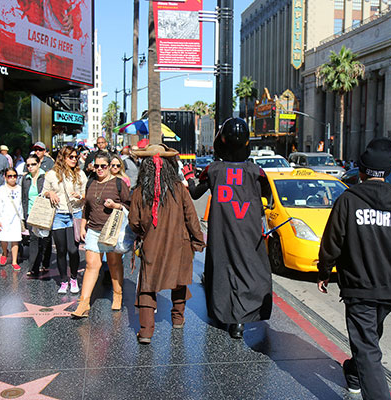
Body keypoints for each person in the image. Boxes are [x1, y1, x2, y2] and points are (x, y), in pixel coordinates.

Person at [317, 138, 391, 398]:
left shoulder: (348, 201)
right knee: (368, 340)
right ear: (388, 173)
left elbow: (332, 242)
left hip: (359, 288)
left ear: (360, 172)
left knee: (368, 348)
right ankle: (352, 371)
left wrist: (324, 272)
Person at [184, 118, 272, 339]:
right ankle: (241, 322)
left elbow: (195, 193)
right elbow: (268, 197)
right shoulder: (256, 171)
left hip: (222, 229)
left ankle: (226, 316)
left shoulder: (213, 170)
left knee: (222, 271)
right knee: (248, 270)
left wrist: (188, 177)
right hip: (248, 230)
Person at [128, 144, 205, 344]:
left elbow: (134, 222)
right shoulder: (179, 188)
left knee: (147, 287)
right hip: (179, 245)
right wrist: (198, 240)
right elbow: (191, 217)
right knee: (178, 281)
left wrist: (143, 233)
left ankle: (146, 332)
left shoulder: (138, 191)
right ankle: (177, 320)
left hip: (151, 245)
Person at [71, 151, 131, 318]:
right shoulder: (90, 183)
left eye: (103, 166)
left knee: (113, 263)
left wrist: (116, 206)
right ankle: (83, 304)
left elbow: (129, 205)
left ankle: (117, 295)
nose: (99, 169)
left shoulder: (119, 183)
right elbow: (87, 207)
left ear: (110, 167)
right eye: (96, 166)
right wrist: (83, 225)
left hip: (112, 231)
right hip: (94, 229)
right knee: (91, 265)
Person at [43, 146, 86, 294]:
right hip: (58, 215)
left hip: (75, 214)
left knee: (73, 250)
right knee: (61, 250)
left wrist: (80, 196)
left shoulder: (80, 174)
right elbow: (43, 192)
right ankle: (63, 280)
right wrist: (50, 193)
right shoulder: (52, 174)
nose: (74, 159)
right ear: (63, 157)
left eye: (76, 157)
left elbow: (86, 193)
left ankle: (73, 278)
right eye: (71, 157)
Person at [21, 154, 50, 277]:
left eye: (33, 164)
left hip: (43, 213)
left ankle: (45, 262)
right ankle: (33, 266)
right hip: (30, 213)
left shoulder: (45, 177)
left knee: (45, 240)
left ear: (38, 164)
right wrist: (24, 216)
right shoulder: (25, 179)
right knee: (33, 239)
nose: (30, 167)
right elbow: (23, 197)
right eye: (28, 165)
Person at [0, 167, 23, 271]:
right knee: (4, 238)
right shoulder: (2, 189)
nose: (12, 178)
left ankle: (14, 261)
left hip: (16, 217)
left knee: (15, 240)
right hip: (4, 217)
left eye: (14, 176)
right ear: (5, 177)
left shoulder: (20, 188)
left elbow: (21, 204)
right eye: (9, 176)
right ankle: (4, 252)